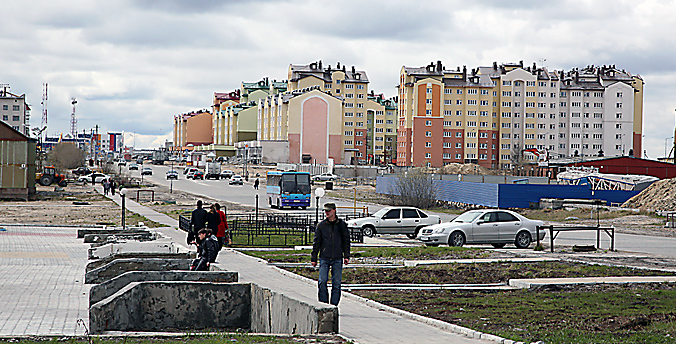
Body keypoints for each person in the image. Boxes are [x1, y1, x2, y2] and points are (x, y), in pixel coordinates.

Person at [311, 202, 350, 306]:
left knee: (336, 284)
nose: (327, 213)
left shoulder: (341, 225)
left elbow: (346, 241)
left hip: (337, 257)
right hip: (324, 257)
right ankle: (324, 305)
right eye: (325, 211)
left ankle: (333, 305)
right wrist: (313, 257)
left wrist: (346, 256)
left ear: (334, 210)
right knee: (322, 281)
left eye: (329, 211)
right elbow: (317, 242)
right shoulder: (321, 226)